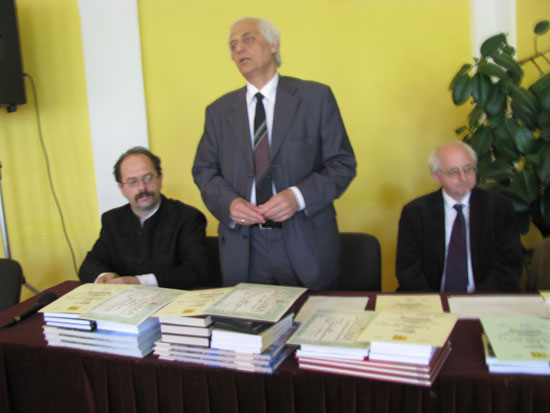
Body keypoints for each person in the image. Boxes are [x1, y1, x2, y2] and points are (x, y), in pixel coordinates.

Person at [192, 17, 356, 290]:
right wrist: (229, 204)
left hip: (304, 240)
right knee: (247, 316)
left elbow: (342, 164)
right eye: (233, 45)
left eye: (247, 39)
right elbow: (204, 170)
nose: (239, 48)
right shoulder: (218, 111)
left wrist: (297, 197)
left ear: (273, 45)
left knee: (310, 316)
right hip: (244, 245)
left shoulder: (315, 98)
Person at [396, 141, 523, 292]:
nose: (463, 177)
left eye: (468, 169)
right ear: (436, 176)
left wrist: (478, 301)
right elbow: (408, 270)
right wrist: (435, 302)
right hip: (431, 299)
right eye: (453, 172)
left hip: (487, 298)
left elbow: (509, 267)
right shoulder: (415, 212)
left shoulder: (499, 208)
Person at [79, 147, 211, 289]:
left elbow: (198, 270)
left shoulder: (188, 217)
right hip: (123, 301)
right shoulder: (112, 220)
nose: (142, 187)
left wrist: (139, 281)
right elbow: (90, 263)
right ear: (121, 188)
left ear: (160, 179)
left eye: (148, 178)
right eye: (132, 181)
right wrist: (104, 275)